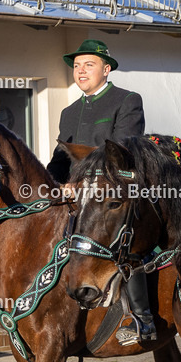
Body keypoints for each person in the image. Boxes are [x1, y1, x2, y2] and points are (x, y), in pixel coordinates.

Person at [46, 39, 152, 345]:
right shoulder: (69, 112)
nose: (80, 71)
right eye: (77, 66)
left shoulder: (127, 100)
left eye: (88, 65)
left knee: (128, 244)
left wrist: (80, 184)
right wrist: (48, 185)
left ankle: (140, 318)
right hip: (79, 199)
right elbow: (59, 158)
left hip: (116, 192)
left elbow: (122, 152)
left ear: (106, 69)